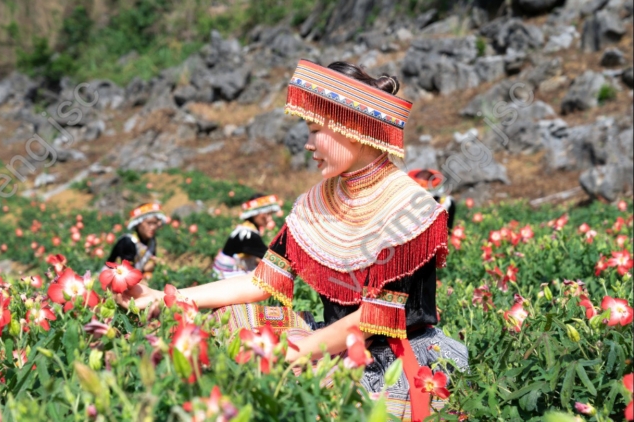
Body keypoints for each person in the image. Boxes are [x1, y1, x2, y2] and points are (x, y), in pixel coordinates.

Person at [117, 60, 469, 421]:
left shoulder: (409, 209)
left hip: (389, 357)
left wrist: (295, 354)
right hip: (332, 340)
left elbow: (368, 321)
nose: (307, 144)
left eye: (315, 130)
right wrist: (168, 298)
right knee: (227, 321)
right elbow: (260, 281)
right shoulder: (315, 201)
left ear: (350, 126)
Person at [212, 194, 280, 279]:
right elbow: (270, 257)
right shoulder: (248, 235)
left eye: (270, 214)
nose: (269, 218)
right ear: (255, 214)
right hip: (227, 273)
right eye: (266, 214)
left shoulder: (245, 228)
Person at [106, 203, 166, 280]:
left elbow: (150, 263)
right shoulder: (128, 242)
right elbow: (126, 271)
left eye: (155, 223)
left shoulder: (152, 241)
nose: (153, 227)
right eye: (149, 223)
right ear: (138, 224)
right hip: (115, 278)